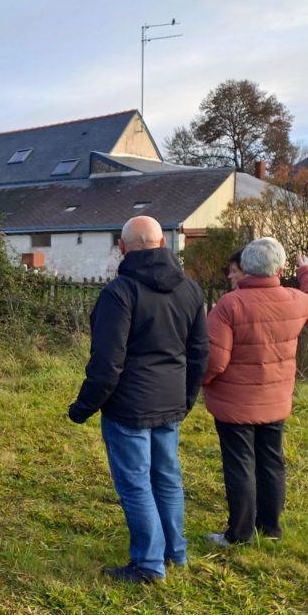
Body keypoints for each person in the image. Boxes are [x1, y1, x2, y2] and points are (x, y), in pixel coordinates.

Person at [67, 215, 208, 584]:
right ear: (163, 244)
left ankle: (149, 564)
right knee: (166, 478)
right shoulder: (191, 290)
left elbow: (107, 363)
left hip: (128, 406)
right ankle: (174, 552)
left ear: (122, 247)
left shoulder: (120, 293)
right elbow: (199, 354)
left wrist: (83, 407)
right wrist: (186, 398)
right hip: (170, 400)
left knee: (135, 484)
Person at [203, 238, 308, 547]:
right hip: (275, 401)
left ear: (244, 267)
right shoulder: (296, 300)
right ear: (281, 268)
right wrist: (307, 270)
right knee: (272, 463)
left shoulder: (229, 305)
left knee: (240, 465)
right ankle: (270, 529)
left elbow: (214, 360)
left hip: (234, 405)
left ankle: (239, 534)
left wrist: (202, 382)